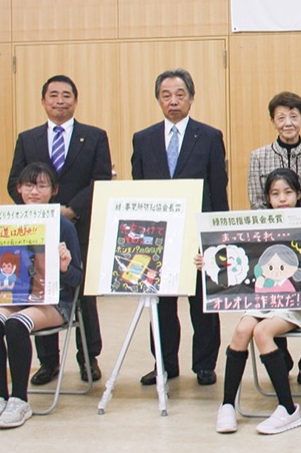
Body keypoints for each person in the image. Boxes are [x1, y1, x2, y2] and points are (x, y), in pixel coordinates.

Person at [7, 75, 111, 385]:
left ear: (75, 101)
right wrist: (42, 212)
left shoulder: (94, 136)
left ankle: (88, 358)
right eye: (53, 95)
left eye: (66, 95)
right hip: (37, 232)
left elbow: (101, 180)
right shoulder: (28, 139)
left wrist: (71, 210)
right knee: (39, 288)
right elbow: (14, 183)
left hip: (81, 226)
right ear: (43, 101)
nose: (60, 101)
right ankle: (48, 362)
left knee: (83, 294)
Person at [213, 168, 301, 435]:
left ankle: (288, 408)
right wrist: (207, 263)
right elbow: (241, 264)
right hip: (264, 299)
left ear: (298, 194)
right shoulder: (259, 228)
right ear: (268, 198)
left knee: (262, 331)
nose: (282, 199)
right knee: (242, 330)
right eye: (275, 194)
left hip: (297, 303)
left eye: (288, 192)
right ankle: (227, 404)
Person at [131, 68, 227, 386]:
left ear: (191, 98)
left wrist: (217, 237)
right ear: (158, 99)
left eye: (180, 94)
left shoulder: (210, 137)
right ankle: (164, 363)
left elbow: (218, 188)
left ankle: (205, 365)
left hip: (198, 236)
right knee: (161, 305)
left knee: (202, 304)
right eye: (166, 95)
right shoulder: (143, 139)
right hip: (159, 237)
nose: (173, 101)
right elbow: (139, 190)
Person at [0, 163, 83, 428]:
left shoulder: (63, 226)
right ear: (18, 188)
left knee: (16, 324)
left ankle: (20, 400)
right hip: (18, 298)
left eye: (42, 186)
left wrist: (65, 268)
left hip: (56, 301)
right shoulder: (4, 222)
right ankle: (0, 397)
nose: (34, 191)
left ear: (54, 190)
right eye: (29, 185)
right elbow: (0, 272)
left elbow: (77, 279)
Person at [247, 91, 301, 385]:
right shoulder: (258, 157)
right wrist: (280, 234)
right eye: (281, 117)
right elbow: (256, 202)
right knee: (274, 291)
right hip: (271, 241)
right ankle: (279, 356)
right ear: (273, 121)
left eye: (294, 116)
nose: (288, 122)